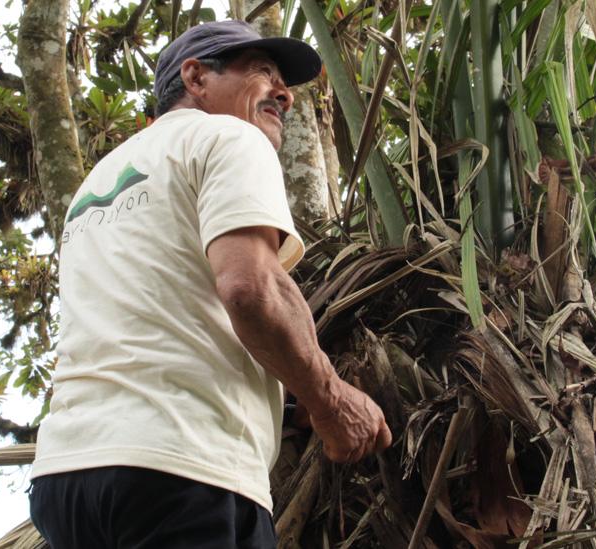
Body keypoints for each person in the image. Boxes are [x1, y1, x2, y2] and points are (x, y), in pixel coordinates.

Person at [28, 20, 392, 549]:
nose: (284, 94)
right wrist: (329, 402)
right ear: (195, 78)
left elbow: (161, 317)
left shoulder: (96, 183)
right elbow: (251, 287)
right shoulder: (228, 135)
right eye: (262, 72)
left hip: (66, 482)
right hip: (182, 467)